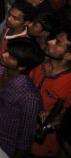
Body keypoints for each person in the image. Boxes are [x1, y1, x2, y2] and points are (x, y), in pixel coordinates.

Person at [0, 38, 43, 158]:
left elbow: (26, 135)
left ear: (22, 67)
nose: (4, 54)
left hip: (4, 144)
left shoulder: (29, 97)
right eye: (7, 51)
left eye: (11, 56)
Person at [28, 25, 71, 157]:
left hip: (43, 146)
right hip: (22, 130)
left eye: (57, 42)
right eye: (54, 38)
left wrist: (59, 118)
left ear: (68, 55)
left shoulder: (68, 83)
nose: (50, 41)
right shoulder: (38, 64)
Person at [0, 1, 33, 74]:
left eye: (15, 18)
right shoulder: (8, 26)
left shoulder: (23, 43)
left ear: (26, 22)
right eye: (9, 14)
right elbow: (2, 44)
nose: (9, 19)